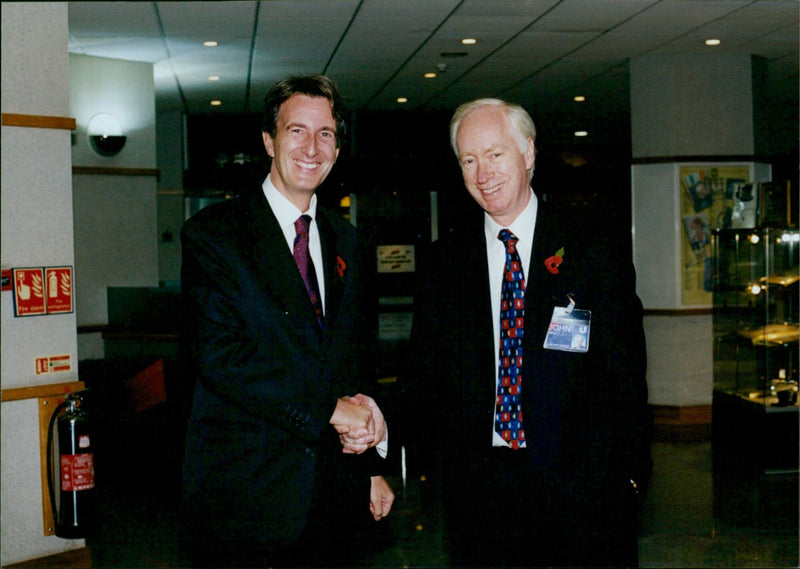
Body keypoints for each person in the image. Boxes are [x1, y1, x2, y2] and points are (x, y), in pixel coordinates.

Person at [407, 98, 651, 567]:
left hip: (584, 493)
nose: (484, 174)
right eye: (469, 160)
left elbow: (626, 373)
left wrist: (632, 477)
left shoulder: (593, 249)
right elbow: (425, 378)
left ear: (529, 153)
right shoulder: (444, 263)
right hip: (482, 499)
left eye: (495, 154)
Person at [180, 74, 394, 568]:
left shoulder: (348, 241)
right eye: (296, 130)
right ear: (268, 140)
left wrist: (371, 466)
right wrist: (330, 411)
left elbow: (355, 359)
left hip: (335, 497)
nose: (311, 148)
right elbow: (222, 359)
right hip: (246, 497)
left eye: (326, 134)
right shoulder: (215, 235)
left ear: (338, 148)